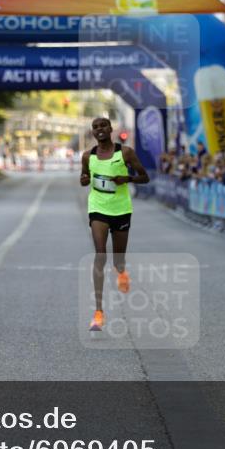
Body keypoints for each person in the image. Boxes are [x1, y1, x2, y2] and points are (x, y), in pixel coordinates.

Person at [79, 117, 150, 332]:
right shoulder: (87, 156)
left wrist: (126, 179)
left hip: (121, 209)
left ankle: (121, 271)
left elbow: (145, 177)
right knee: (100, 255)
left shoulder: (125, 152)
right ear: (92, 132)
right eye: (95, 127)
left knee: (118, 259)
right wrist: (83, 179)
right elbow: (84, 176)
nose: (99, 130)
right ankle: (98, 313)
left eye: (103, 126)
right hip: (98, 209)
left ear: (111, 129)